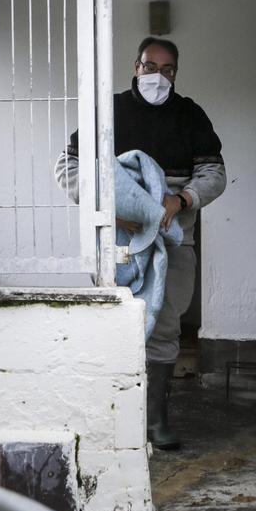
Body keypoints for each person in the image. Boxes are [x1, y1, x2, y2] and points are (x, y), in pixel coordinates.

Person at [55, 37, 226, 451]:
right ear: (136, 66)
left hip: (175, 236)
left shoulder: (190, 115)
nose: (158, 77)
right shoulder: (108, 111)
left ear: (176, 74)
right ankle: (114, 421)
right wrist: (113, 207)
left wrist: (181, 199)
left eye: (168, 70)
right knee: (117, 320)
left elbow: (215, 174)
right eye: (151, 67)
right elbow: (68, 166)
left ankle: (156, 420)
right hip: (121, 237)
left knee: (165, 325)